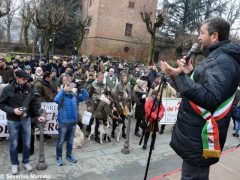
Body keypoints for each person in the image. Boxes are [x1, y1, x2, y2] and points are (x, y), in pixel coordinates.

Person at [160, 17, 240, 179]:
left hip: (200, 136)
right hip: (195, 134)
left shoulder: (223, 61)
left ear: (214, 36)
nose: (198, 37)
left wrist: (177, 77)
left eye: (202, 33)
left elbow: (210, 97)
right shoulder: (217, 57)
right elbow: (207, 87)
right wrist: (189, 73)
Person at [0, 70, 46, 175]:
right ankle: (14, 164)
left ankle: (26, 162)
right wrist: (13, 110)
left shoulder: (29, 88)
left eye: (27, 79)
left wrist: (38, 116)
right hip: (13, 120)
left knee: (27, 143)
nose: (26, 81)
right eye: (24, 79)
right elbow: (1, 104)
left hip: (26, 120)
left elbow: (34, 104)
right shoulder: (7, 89)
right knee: (14, 144)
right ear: (17, 78)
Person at [54, 81, 89, 166]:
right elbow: (55, 100)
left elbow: (86, 96)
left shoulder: (75, 95)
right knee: (60, 142)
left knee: (70, 141)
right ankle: (59, 157)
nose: (70, 87)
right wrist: (63, 90)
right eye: (67, 86)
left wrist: (82, 88)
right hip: (63, 123)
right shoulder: (61, 96)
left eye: (71, 86)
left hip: (73, 123)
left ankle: (68, 155)